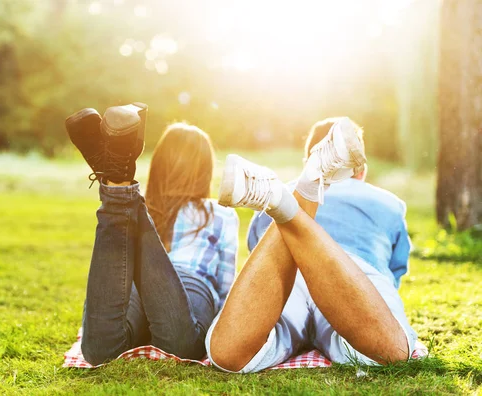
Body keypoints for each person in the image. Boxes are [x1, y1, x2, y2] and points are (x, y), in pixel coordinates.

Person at [205, 117, 418, 373]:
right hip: (355, 275)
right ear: (359, 169)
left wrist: (288, 208)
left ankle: (291, 203)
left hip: (288, 272)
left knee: (228, 355)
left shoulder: (268, 193)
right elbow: (394, 271)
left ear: (307, 161)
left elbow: (257, 264)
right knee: (391, 351)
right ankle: (303, 196)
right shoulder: (388, 203)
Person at [65, 103, 239, 365]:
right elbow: (226, 290)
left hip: (138, 282)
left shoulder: (138, 207)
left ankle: (116, 182)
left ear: (159, 164)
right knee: (173, 346)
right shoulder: (220, 213)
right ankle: (117, 181)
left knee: (99, 351)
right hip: (191, 284)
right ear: (205, 169)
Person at [248, 118, 411, 289]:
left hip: (290, 277)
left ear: (307, 167)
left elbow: (257, 251)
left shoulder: (275, 198)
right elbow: (396, 267)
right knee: (378, 299)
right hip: (364, 275)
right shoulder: (388, 204)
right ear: (361, 171)